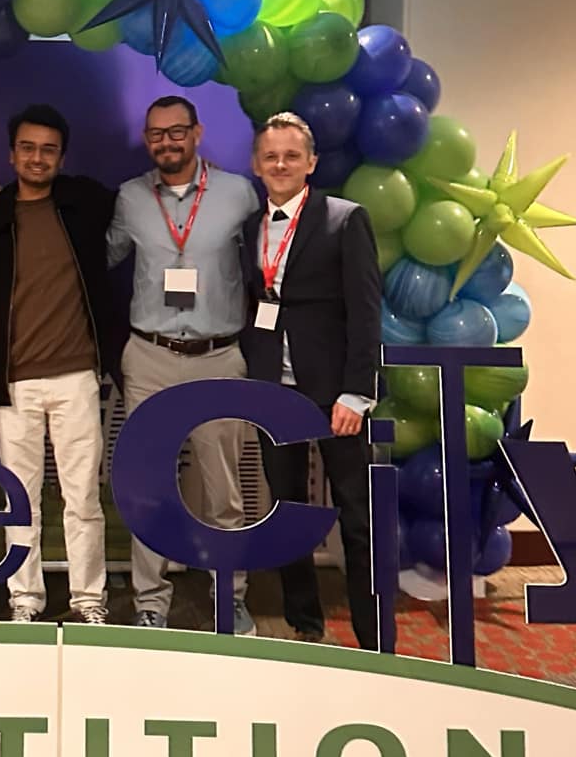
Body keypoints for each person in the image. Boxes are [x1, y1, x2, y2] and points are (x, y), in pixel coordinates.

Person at [107, 95, 260, 633]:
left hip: (218, 358)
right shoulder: (129, 198)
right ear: (146, 140)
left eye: (176, 132)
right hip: (148, 357)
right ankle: (151, 601)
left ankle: (229, 596)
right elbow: (99, 257)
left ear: (196, 133)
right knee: (149, 488)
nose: (166, 142)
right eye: (155, 134)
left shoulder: (240, 194)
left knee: (224, 493)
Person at [240, 111, 382, 650]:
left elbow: (366, 313)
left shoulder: (345, 220)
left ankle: (372, 633)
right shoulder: (249, 228)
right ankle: (305, 621)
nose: (280, 164)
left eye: (291, 156)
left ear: (311, 163)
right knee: (287, 507)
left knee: (356, 513)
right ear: (257, 165)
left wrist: (356, 392)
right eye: (271, 156)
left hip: (334, 394)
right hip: (272, 391)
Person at [0, 104, 119, 625]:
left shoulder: (85, 203)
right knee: (21, 500)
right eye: (28, 148)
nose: (38, 158)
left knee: (82, 499)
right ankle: (25, 600)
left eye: (49, 149)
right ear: (12, 154)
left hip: (77, 375)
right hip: (14, 381)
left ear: (62, 157)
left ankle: (88, 601)